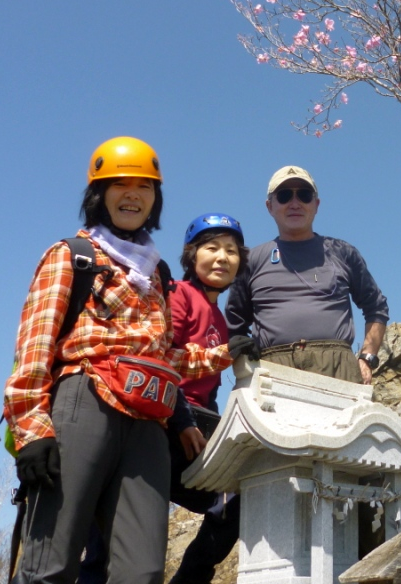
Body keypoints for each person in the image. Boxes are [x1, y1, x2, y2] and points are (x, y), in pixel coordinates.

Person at [3, 137, 233, 584]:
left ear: (156, 199)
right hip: (84, 400)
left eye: (145, 187)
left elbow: (163, 356)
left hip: (149, 419)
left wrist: (227, 354)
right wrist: (31, 429)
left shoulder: (158, 273)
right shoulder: (72, 255)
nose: (133, 195)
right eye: (119, 185)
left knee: (142, 570)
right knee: (50, 562)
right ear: (98, 195)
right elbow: (34, 345)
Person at [226, 165, 388, 384]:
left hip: (338, 368)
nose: (295, 203)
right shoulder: (251, 261)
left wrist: (367, 358)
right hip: (271, 371)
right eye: (284, 196)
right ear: (269, 206)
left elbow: (376, 307)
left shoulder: (343, 252)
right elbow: (233, 325)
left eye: (304, 195)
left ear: (316, 204)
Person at [166, 214, 247, 584]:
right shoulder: (178, 294)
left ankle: (190, 577)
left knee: (236, 503)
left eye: (231, 251)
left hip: (200, 421)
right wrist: (224, 354)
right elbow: (163, 358)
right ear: (191, 255)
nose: (221, 257)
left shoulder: (220, 316)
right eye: (211, 247)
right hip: (166, 418)